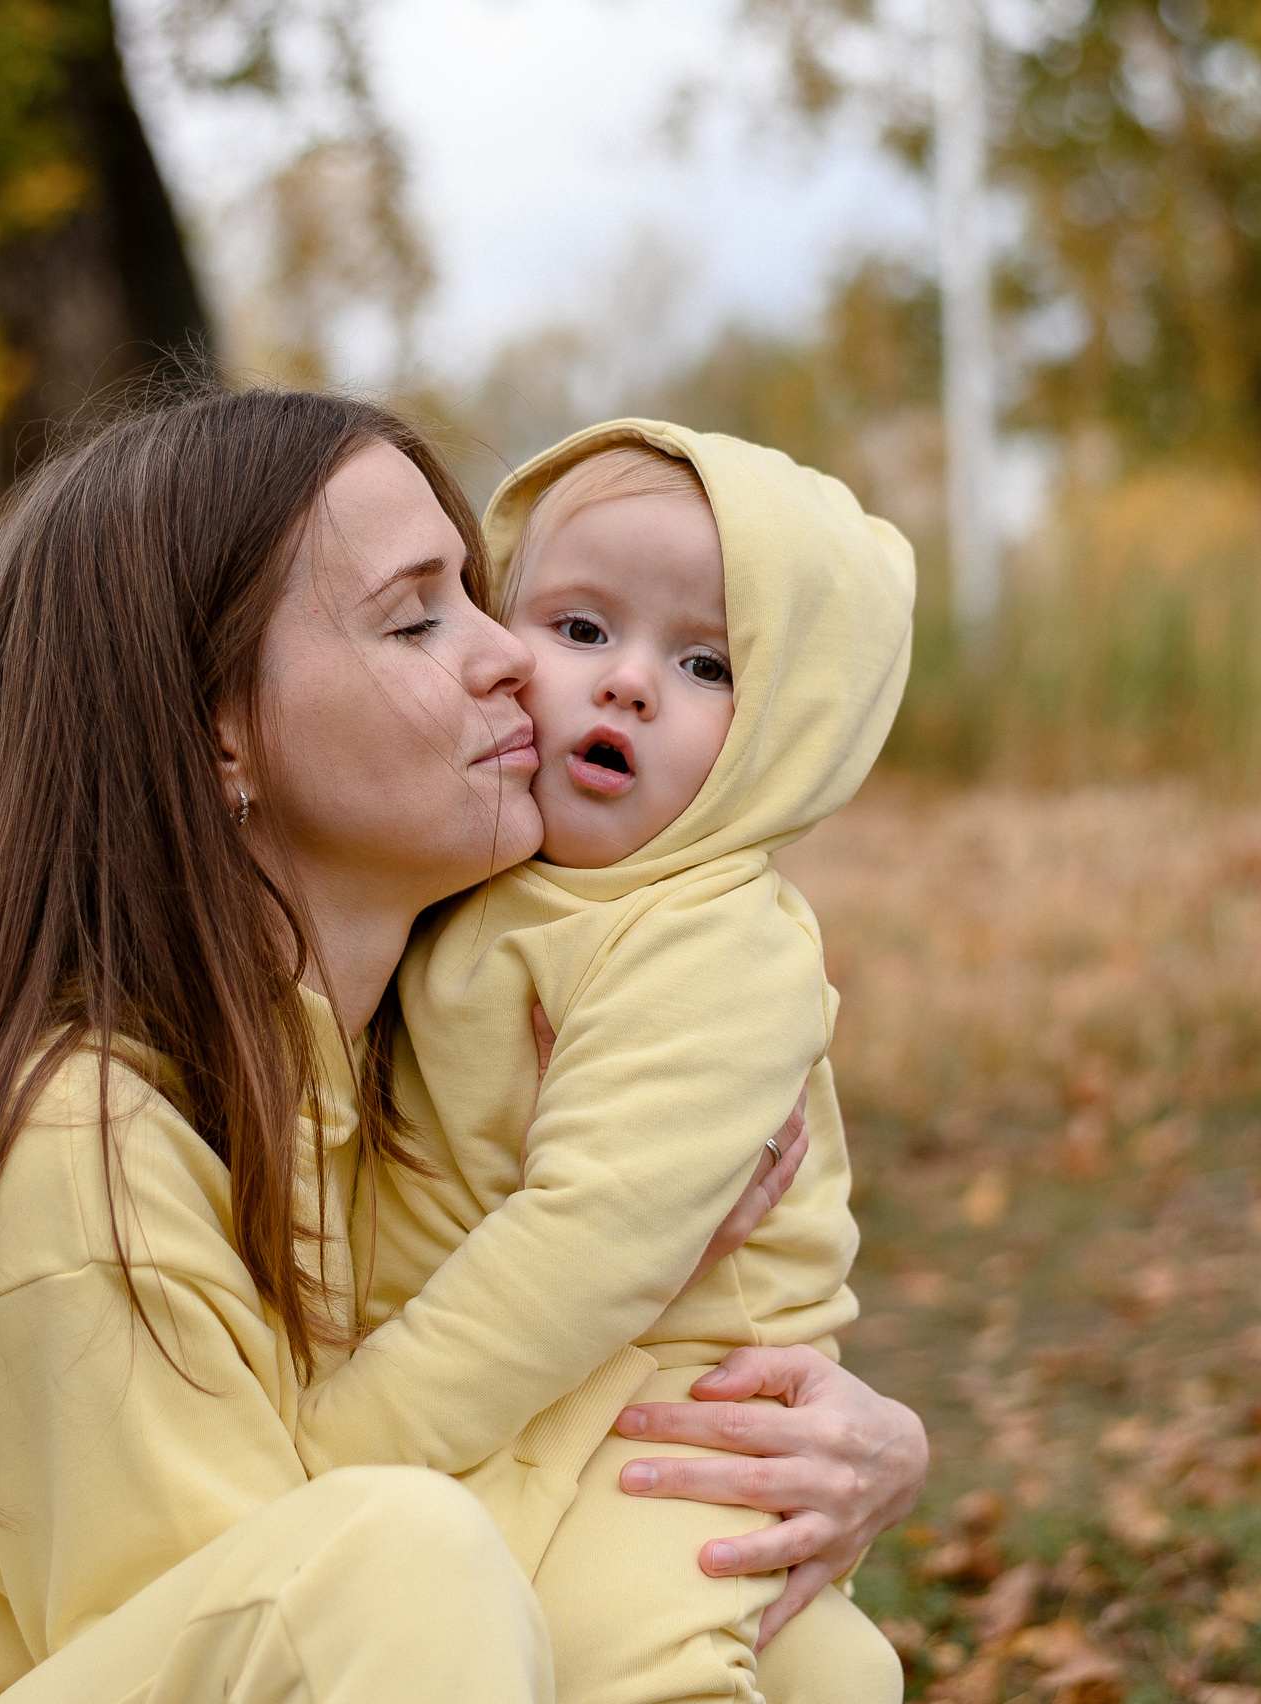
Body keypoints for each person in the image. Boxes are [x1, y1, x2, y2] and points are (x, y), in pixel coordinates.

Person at [0, 389, 926, 1704]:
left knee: (812, 1658)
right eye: (419, 616)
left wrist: (853, 1447)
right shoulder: (72, 1149)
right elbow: (296, 1623)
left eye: (487, 597)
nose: (511, 659)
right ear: (221, 731)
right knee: (402, 1570)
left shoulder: (397, 1046)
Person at [295, 420, 915, 1704]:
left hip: (679, 1414)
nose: (627, 683)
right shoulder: (480, 877)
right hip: (520, 1403)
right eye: (579, 631)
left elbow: (584, 1246)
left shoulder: (709, 944)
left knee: (631, 1659)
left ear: (786, 735)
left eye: (704, 663)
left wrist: (346, 1442)